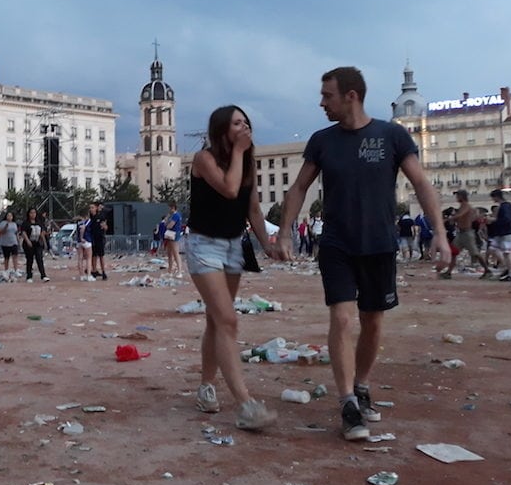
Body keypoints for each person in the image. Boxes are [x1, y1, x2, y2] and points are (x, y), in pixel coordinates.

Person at [277, 67, 450, 442]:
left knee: (372, 323)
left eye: (328, 95)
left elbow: (420, 183)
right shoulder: (322, 141)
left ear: (351, 95)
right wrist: (286, 232)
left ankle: (362, 385)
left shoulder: (392, 135)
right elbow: (298, 188)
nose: (322, 102)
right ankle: (347, 403)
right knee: (342, 320)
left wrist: (439, 233)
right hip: (337, 244)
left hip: (380, 244)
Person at [188, 105, 278, 430]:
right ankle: (245, 405)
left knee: (216, 321)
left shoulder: (248, 163)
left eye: (246, 122)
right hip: (204, 247)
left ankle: (206, 387)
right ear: (222, 130)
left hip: (233, 246)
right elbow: (228, 189)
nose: (244, 128)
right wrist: (240, 153)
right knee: (228, 319)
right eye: (236, 123)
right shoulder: (204, 159)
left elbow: (252, 207)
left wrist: (267, 244)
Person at [450, 190, 490, 277]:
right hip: (461, 233)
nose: (456, 198)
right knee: (453, 252)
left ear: (462, 196)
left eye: (458, 196)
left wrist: (449, 219)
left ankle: (487, 270)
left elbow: (461, 215)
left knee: (475, 253)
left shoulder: (466, 206)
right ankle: (448, 272)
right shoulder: (462, 206)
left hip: (467, 233)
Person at [486, 188, 511, 281]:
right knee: (494, 248)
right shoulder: (506, 206)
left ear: (496, 197)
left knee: (506, 253)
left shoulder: (504, 206)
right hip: (505, 232)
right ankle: (508, 269)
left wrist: (494, 220)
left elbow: (506, 219)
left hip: (506, 232)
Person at [20, 207, 50, 283]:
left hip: (38, 243)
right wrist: (27, 241)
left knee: (39, 258)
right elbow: (23, 233)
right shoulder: (26, 223)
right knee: (30, 260)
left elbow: (42, 233)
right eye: (31, 213)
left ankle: (43, 275)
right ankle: (29, 276)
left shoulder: (39, 223)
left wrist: (44, 243)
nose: (33, 214)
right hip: (29, 243)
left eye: (34, 213)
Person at [0, 211, 20, 281]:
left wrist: (18, 240)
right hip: (5, 242)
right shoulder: (2, 223)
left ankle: (16, 270)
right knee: (6, 257)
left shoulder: (14, 224)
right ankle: (6, 270)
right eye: (8, 216)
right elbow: (0, 232)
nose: (9, 217)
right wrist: (5, 227)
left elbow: (16, 232)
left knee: (15, 256)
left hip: (13, 241)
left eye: (11, 216)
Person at [163, 202, 184, 277]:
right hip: (171, 234)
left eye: (170, 208)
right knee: (169, 253)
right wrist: (167, 218)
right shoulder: (173, 215)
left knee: (175, 252)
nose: (168, 209)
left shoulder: (176, 215)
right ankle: (170, 270)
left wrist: (167, 223)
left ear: (173, 207)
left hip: (174, 234)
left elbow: (169, 225)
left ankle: (179, 271)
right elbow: (166, 223)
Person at [89, 202, 109, 280]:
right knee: (93, 256)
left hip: (100, 239)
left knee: (101, 256)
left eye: (92, 207)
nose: (91, 209)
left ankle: (104, 271)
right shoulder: (90, 218)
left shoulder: (100, 217)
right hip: (92, 239)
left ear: (96, 208)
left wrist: (104, 227)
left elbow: (106, 227)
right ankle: (94, 271)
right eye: (90, 208)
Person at [75, 214, 94, 281]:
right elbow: (83, 228)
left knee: (80, 258)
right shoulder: (87, 221)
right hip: (86, 240)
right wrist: (82, 237)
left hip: (79, 242)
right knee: (89, 258)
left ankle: (81, 275)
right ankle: (89, 275)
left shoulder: (78, 222)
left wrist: (79, 239)